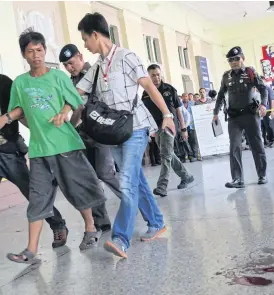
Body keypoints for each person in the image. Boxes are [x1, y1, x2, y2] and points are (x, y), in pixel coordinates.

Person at [0, 29, 106, 264]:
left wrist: (64, 112)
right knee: (37, 198)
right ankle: (31, 249)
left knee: (76, 188)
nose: (36, 55)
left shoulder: (58, 77)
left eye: (39, 50)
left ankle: (90, 228)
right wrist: (7, 117)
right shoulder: (20, 82)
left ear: (44, 50)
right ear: (24, 55)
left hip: (65, 144)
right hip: (39, 150)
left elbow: (76, 100)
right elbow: (19, 109)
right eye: (30, 51)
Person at [76, 13, 176, 258]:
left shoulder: (127, 57)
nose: (85, 44)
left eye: (85, 39)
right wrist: (61, 108)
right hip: (115, 132)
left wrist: (167, 114)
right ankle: (156, 221)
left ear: (95, 35)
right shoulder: (98, 66)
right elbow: (77, 92)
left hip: (137, 127)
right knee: (137, 181)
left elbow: (149, 87)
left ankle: (120, 239)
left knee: (127, 182)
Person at [59, 43, 122, 232]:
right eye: (66, 66)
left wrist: (70, 125)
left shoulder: (94, 74)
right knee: (90, 179)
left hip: (100, 133)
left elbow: (78, 107)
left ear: (80, 56)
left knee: (105, 173)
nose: (70, 67)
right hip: (83, 135)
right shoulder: (70, 82)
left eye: (71, 63)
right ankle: (101, 219)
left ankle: (135, 202)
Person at [213, 46, 268, 188]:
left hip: (250, 115)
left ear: (243, 58)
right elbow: (220, 94)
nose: (234, 62)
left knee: (256, 145)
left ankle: (262, 175)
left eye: (237, 59)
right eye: (230, 60)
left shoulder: (251, 72)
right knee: (234, 147)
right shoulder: (226, 76)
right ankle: (237, 179)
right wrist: (215, 112)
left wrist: (263, 105)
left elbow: (263, 88)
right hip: (234, 117)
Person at [142, 64, 194, 197]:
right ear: (149, 76)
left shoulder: (170, 90)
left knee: (165, 156)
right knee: (168, 153)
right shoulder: (145, 93)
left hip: (170, 126)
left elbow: (179, 111)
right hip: (156, 127)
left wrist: (183, 128)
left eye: (158, 74)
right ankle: (186, 176)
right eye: (153, 75)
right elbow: (145, 113)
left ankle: (162, 186)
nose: (156, 77)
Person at [182, 93, 199, 160]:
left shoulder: (192, 103)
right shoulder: (180, 104)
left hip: (192, 125)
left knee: (193, 140)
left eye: (186, 96)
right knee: (185, 141)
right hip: (184, 125)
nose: (185, 98)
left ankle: (195, 155)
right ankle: (189, 155)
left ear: (188, 97)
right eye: (183, 96)